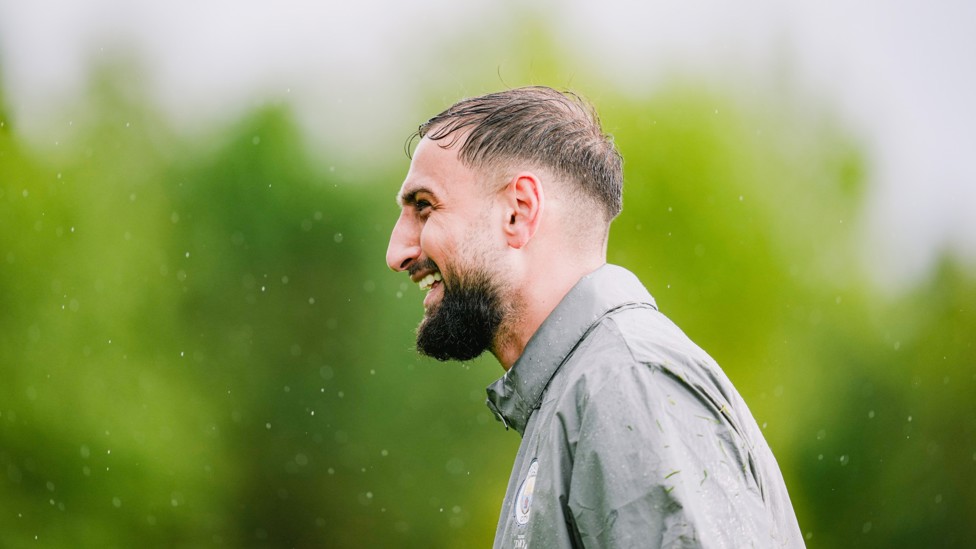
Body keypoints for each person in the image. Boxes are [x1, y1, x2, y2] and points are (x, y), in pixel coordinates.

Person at [386, 86, 804, 548]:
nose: (397, 252)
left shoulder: (626, 382)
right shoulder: (580, 390)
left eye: (424, 207)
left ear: (518, 212)